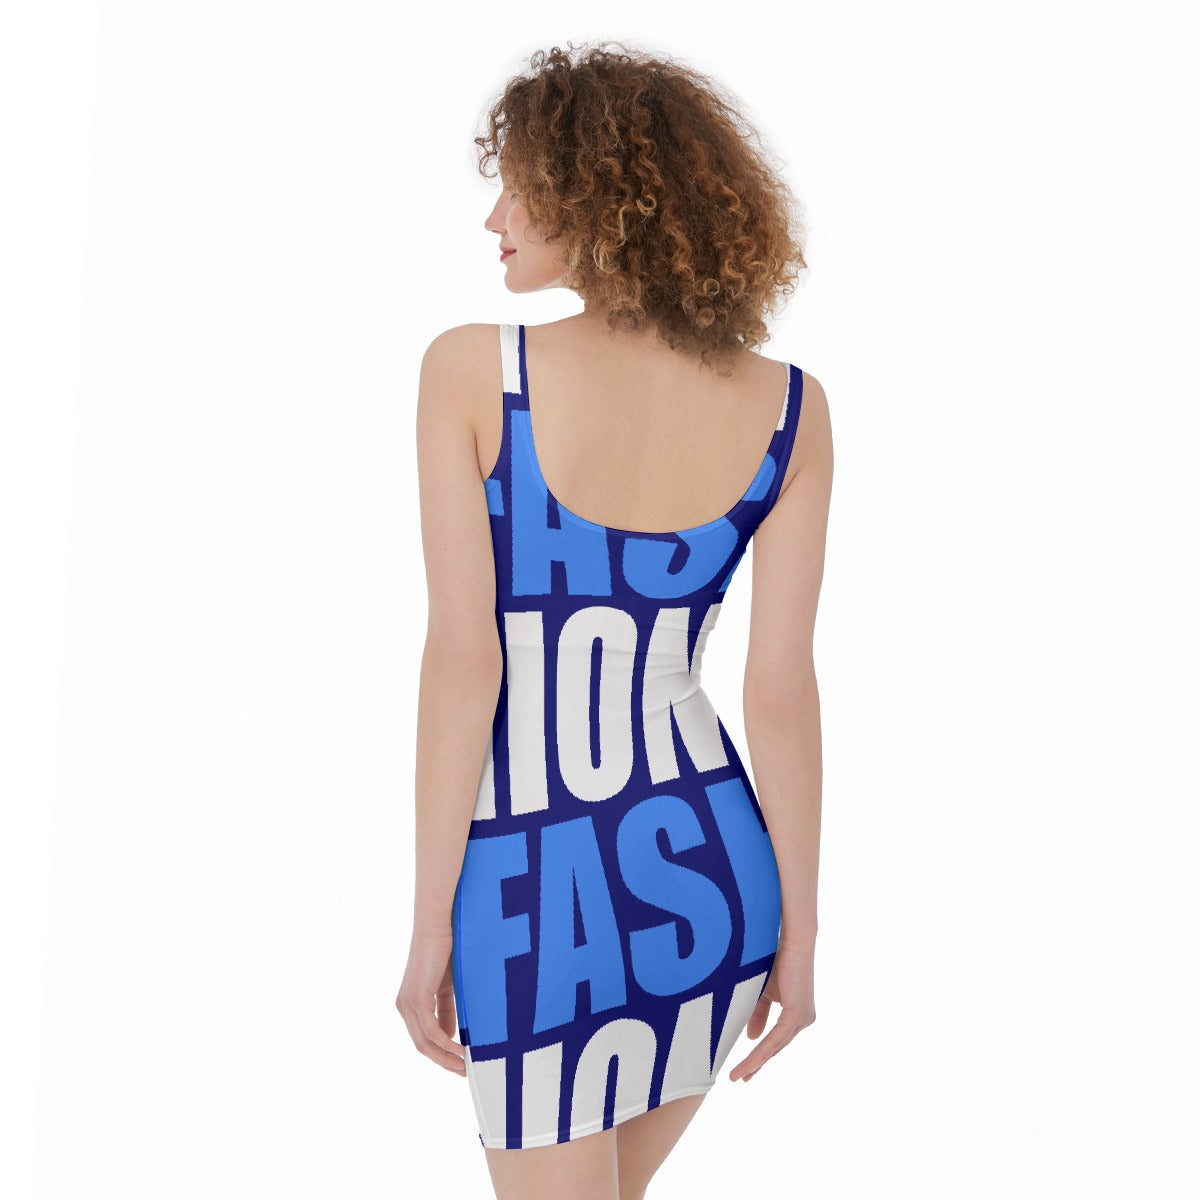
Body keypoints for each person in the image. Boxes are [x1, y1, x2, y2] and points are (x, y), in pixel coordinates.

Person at [397, 41, 833, 1200]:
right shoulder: (791, 408)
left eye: (520, 187)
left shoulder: (473, 374)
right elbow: (780, 691)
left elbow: (466, 662)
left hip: (533, 892)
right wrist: (800, 933)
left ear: (600, 197)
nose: (494, 218)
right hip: (713, 880)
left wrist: (432, 922)